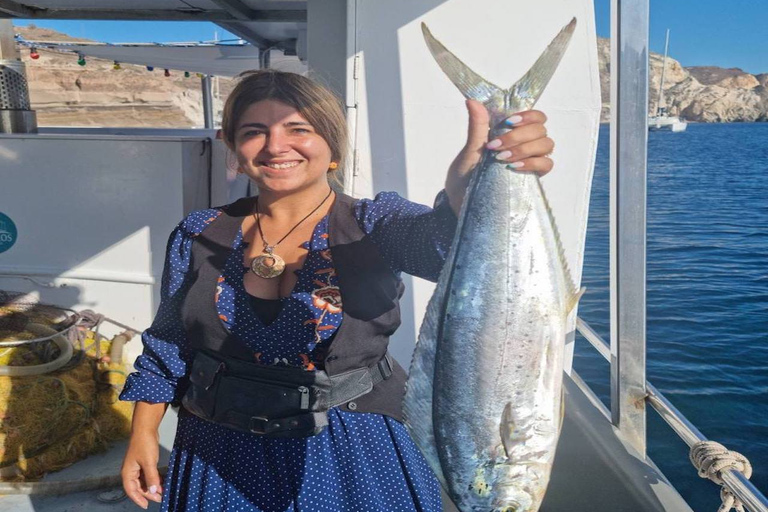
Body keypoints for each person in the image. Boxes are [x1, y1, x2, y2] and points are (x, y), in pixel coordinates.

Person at [119, 70, 555, 511]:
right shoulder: (198, 232)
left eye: (298, 129)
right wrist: (144, 435)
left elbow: (442, 244)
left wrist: (472, 184)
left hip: (355, 447)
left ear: (331, 145)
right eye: (254, 132)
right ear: (231, 145)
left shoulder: (376, 222)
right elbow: (169, 344)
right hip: (218, 447)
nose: (275, 146)